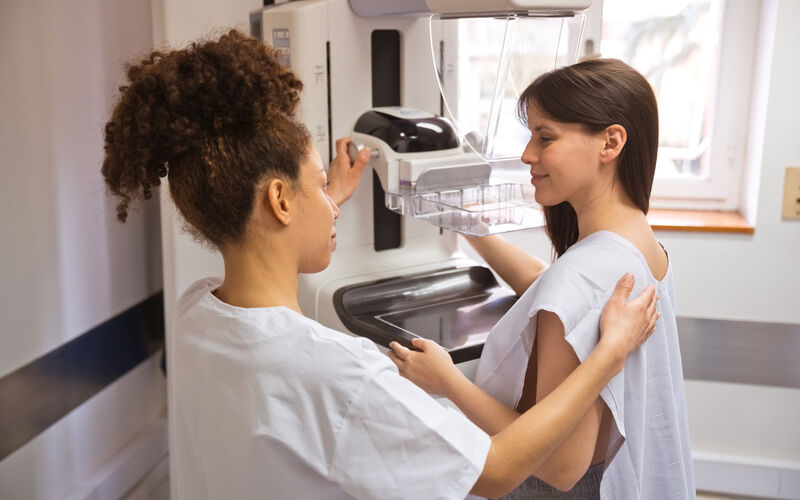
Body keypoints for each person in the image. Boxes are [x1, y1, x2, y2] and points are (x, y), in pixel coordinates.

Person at [101, 32, 659, 500]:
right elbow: (496, 469)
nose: (331, 199)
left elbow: (261, 244)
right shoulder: (340, 373)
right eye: (320, 186)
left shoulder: (198, 310)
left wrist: (324, 199)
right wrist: (608, 354)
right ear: (279, 202)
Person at [390, 59, 695, 499]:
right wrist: (471, 228)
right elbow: (556, 288)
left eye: (545, 137)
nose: (528, 154)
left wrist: (447, 382)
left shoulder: (582, 275)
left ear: (610, 142)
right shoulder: (641, 246)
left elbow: (560, 465)